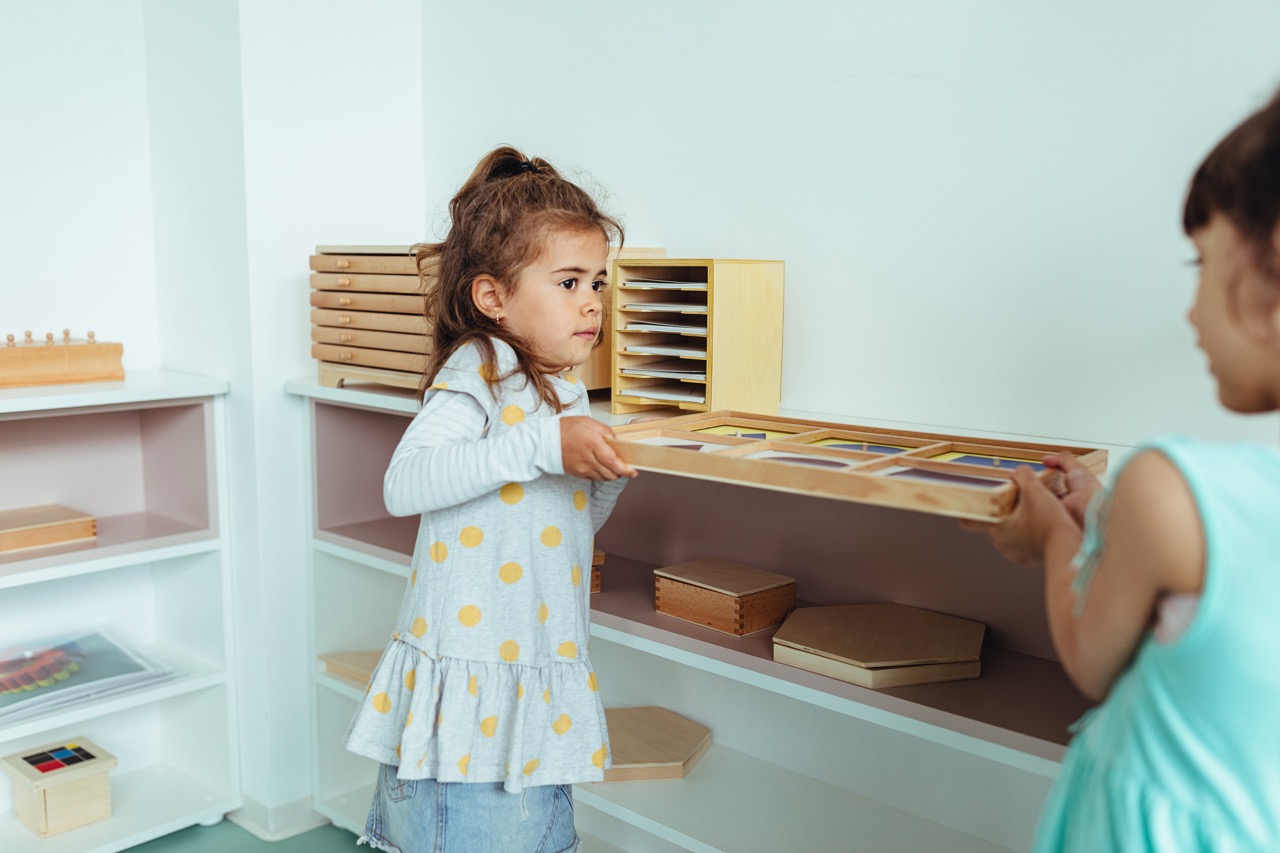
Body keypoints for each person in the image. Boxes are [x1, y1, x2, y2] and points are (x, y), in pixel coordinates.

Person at [964, 87, 1280, 851]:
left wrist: (1053, 539)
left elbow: (1091, 659)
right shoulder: (1206, 500)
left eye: (1201, 263)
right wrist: (1105, 510)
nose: (1190, 310)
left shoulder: (1168, 483)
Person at [345, 146, 638, 853]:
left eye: (597, 281)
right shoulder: (482, 367)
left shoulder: (563, 387)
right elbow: (404, 481)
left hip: (531, 688)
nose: (592, 301)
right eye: (568, 281)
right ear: (493, 297)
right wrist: (543, 446)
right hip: (472, 719)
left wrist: (598, 477)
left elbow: (567, 521)